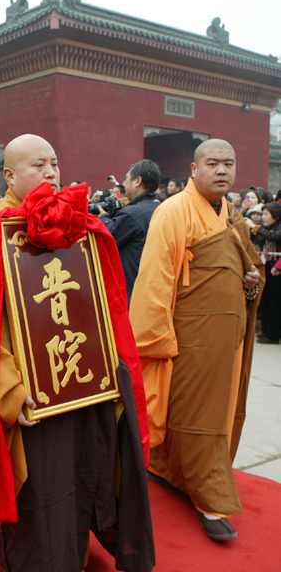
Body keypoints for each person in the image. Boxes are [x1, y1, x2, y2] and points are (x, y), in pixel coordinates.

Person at [0, 134, 154, 572]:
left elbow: (102, 301)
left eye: (55, 164)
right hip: (32, 391)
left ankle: (73, 549)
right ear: (9, 175)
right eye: (38, 165)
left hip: (78, 380)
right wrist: (8, 388)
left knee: (81, 471)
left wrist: (108, 363)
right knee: (42, 486)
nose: (51, 173)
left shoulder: (76, 225)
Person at [130, 139, 264, 541]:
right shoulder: (173, 211)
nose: (222, 170)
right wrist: (157, 339)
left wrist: (251, 284)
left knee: (209, 414)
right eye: (213, 163)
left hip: (226, 337)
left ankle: (168, 469)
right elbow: (155, 280)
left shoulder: (232, 216)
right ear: (193, 168)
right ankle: (211, 498)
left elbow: (243, 272)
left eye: (229, 163)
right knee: (198, 418)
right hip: (188, 337)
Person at [98, 160, 161, 303]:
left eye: (126, 179)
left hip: (133, 291)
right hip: (156, 287)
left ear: (138, 181)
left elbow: (107, 238)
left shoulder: (131, 214)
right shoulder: (162, 207)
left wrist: (103, 217)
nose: (124, 183)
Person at [251, 202, 281, 343]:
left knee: (275, 302)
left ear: (276, 216)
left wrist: (255, 227)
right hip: (266, 265)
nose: (263, 217)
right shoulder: (263, 228)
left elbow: (274, 236)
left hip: (277, 269)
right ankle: (266, 331)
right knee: (266, 300)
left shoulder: (278, 228)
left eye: (266, 214)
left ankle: (273, 334)